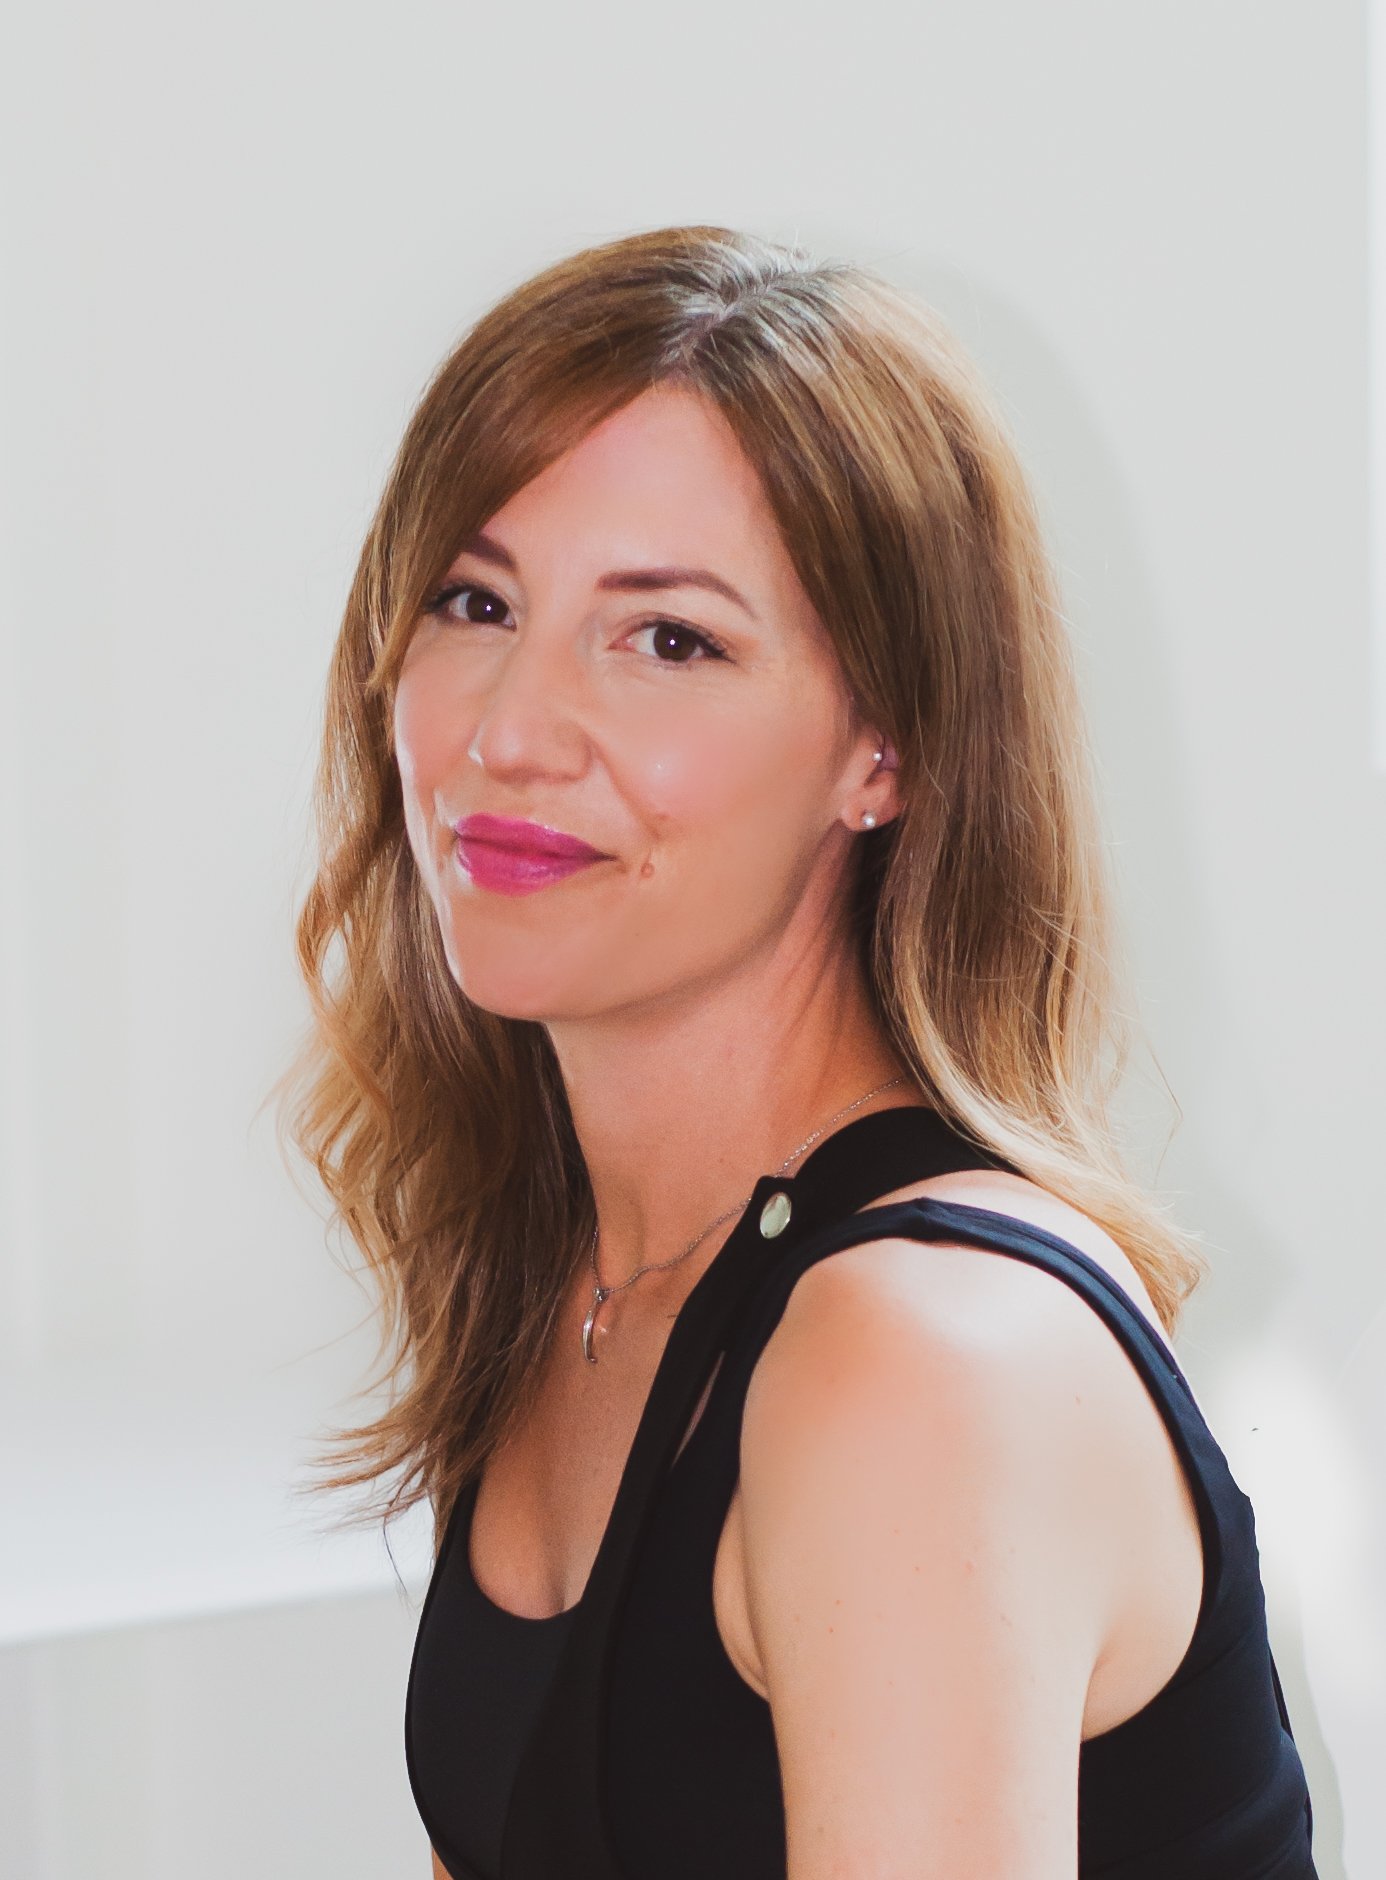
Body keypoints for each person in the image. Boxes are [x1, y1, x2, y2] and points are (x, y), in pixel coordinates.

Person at [277, 224, 1317, 1878]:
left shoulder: (912, 1356)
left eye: (668, 638)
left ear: (883, 752)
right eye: (476, 602)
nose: (505, 732)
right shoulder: (591, 1275)